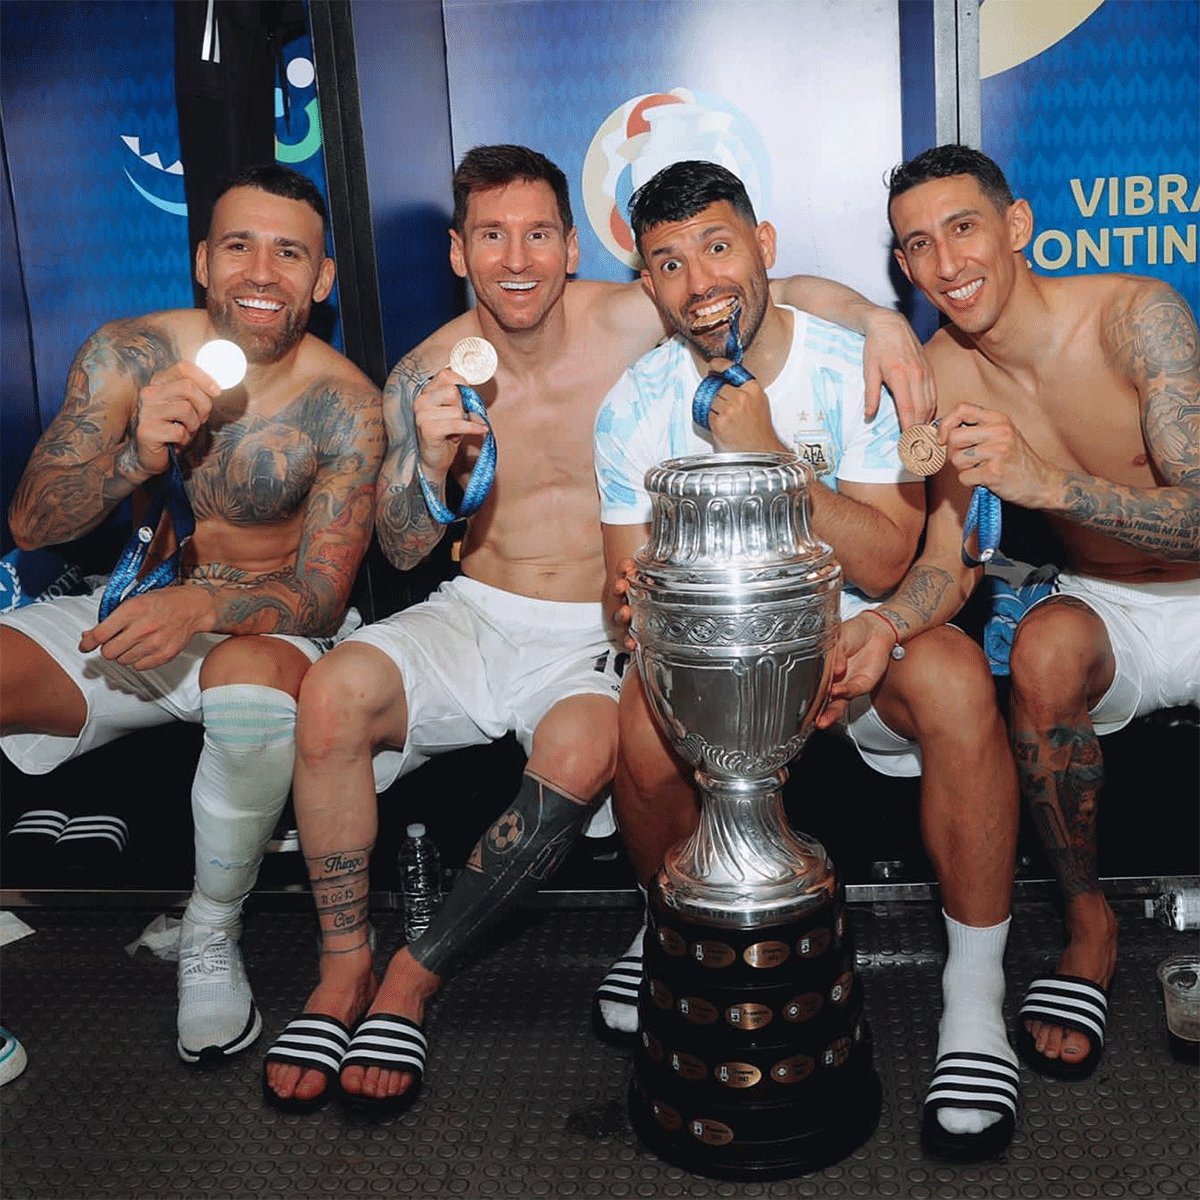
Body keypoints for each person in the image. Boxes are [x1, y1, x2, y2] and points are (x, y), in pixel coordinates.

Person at [261, 143, 937, 1115]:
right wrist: (433, 476)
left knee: (593, 747)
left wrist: (882, 320)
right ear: (459, 252)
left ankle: (415, 977)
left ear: (573, 246)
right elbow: (404, 551)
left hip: (596, 623)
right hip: (475, 609)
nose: (518, 257)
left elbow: (774, 290)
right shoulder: (422, 373)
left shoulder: (639, 311)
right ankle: (339, 969)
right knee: (330, 695)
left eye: (539, 232)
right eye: (491, 236)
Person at [594, 159, 1022, 1161]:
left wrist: (775, 453)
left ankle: (973, 998)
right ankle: (677, 929)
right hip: (716, 674)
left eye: (716, 245)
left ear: (764, 247)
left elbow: (884, 557)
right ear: (646, 286)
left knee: (957, 678)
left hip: (857, 646)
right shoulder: (632, 405)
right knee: (635, 720)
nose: (698, 280)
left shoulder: (855, 366)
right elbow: (629, 607)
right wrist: (661, 615)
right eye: (667, 262)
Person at [0, 164, 384, 1066]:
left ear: (321, 280)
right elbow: (28, 523)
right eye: (240, 247)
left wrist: (206, 601)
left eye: (289, 253)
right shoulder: (127, 351)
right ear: (203, 262)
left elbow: (323, 591)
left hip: (266, 628)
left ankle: (210, 933)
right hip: (130, 612)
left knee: (248, 683)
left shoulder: (348, 405)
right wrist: (133, 457)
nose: (262, 271)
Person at [831, 143, 1198, 1082]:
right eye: (917, 245)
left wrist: (1049, 484)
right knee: (1041, 650)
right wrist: (884, 625)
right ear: (903, 265)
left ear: (1018, 228)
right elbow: (951, 566)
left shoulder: (1133, 316)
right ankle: (1089, 928)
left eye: (963, 229)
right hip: (1115, 602)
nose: (947, 265)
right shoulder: (944, 376)